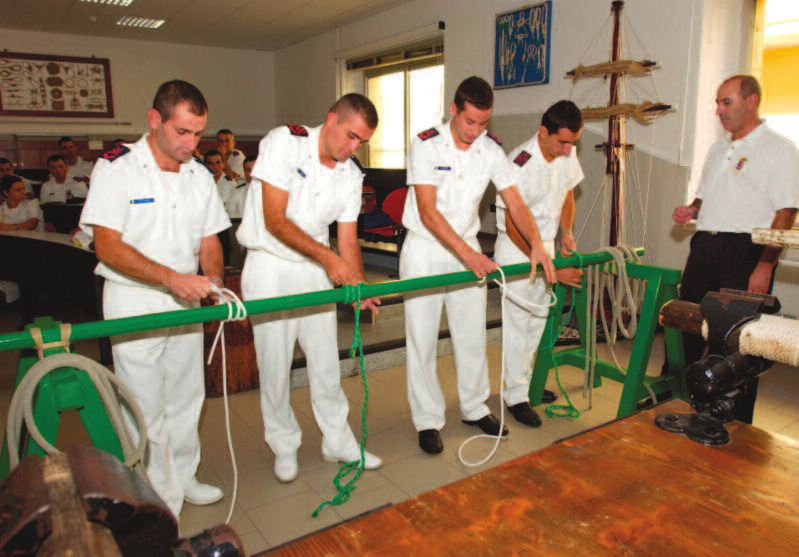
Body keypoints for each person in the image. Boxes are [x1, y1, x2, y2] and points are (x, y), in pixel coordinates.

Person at [79, 80, 230, 516]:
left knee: (187, 395)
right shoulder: (116, 167)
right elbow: (107, 245)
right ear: (154, 120)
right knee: (145, 402)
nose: (191, 142)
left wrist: (214, 281)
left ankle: (185, 476)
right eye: (182, 132)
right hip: (134, 297)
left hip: (185, 298)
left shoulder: (200, 175)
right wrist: (170, 279)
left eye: (198, 133)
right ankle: (157, 496)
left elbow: (210, 241)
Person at [401, 76, 556, 455]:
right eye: (470, 121)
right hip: (425, 247)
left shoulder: (489, 150)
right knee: (421, 339)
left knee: (471, 334)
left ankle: (474, 407)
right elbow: (427, 211)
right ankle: (427, 419)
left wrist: (536, 243)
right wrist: (469, 256)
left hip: (467, 245)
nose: (475, 131)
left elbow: (515, 202)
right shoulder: (425, 144)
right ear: (454, 110)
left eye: (484, 123)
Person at [237, 93, 383, 482]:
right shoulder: (285, 143)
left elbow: (348, 240)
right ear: (331, 118)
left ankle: (337, 441)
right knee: (275, 364)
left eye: (360, 143)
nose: (352, 147)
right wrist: (329, 259)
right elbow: (275, 219)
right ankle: (284, 446)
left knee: (325, 361)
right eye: (350, 136)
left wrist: (359, 283)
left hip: (314, 268)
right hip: (270, 265)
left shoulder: (351, 173)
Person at [671, 74, 799, 422]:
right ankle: (698, 412)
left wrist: (765, 265)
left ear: (751, 101)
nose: (718, 110)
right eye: (717, 102)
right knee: (695, 332)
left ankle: (736, 424)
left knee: (738, 343)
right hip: (705, 248)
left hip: (745, 253)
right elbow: (705, 196)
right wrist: (692, 210)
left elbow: (785, 212)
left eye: (726, 102)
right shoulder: (717, 148)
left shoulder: (779, 148)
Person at [495, 100, 585, 428]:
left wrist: (567, 233)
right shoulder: (517, 163)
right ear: (543, 132)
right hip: (517, 248)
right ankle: (514, 396)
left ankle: (527, 382)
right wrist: (544, 259)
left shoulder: (566, 152)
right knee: (519, 326)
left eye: (572, 142)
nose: (567, 149)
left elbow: (567, 195)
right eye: (562, 141)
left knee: (536, 322)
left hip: (545, 246)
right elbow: (507, 220)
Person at [0, 175, 44, 304]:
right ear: (6, 193)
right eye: (17, 190)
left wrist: (9, 227)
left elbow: (31, 224)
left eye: (23, 189)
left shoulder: (32, 203)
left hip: (35, 248)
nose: (23, 193)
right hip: (10, 249)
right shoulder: (1, 209)